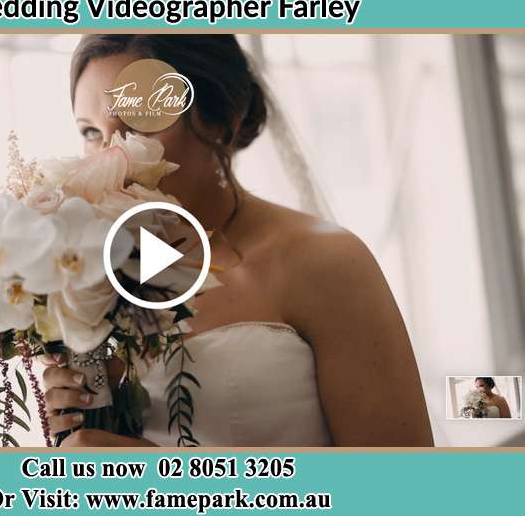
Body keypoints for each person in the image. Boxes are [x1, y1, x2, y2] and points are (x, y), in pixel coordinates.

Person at [41, 35, 433, 446]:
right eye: (90, 131)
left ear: (223, 119)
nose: (107, 155)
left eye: (137, 123)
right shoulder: (96, 274)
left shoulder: (326, 262)